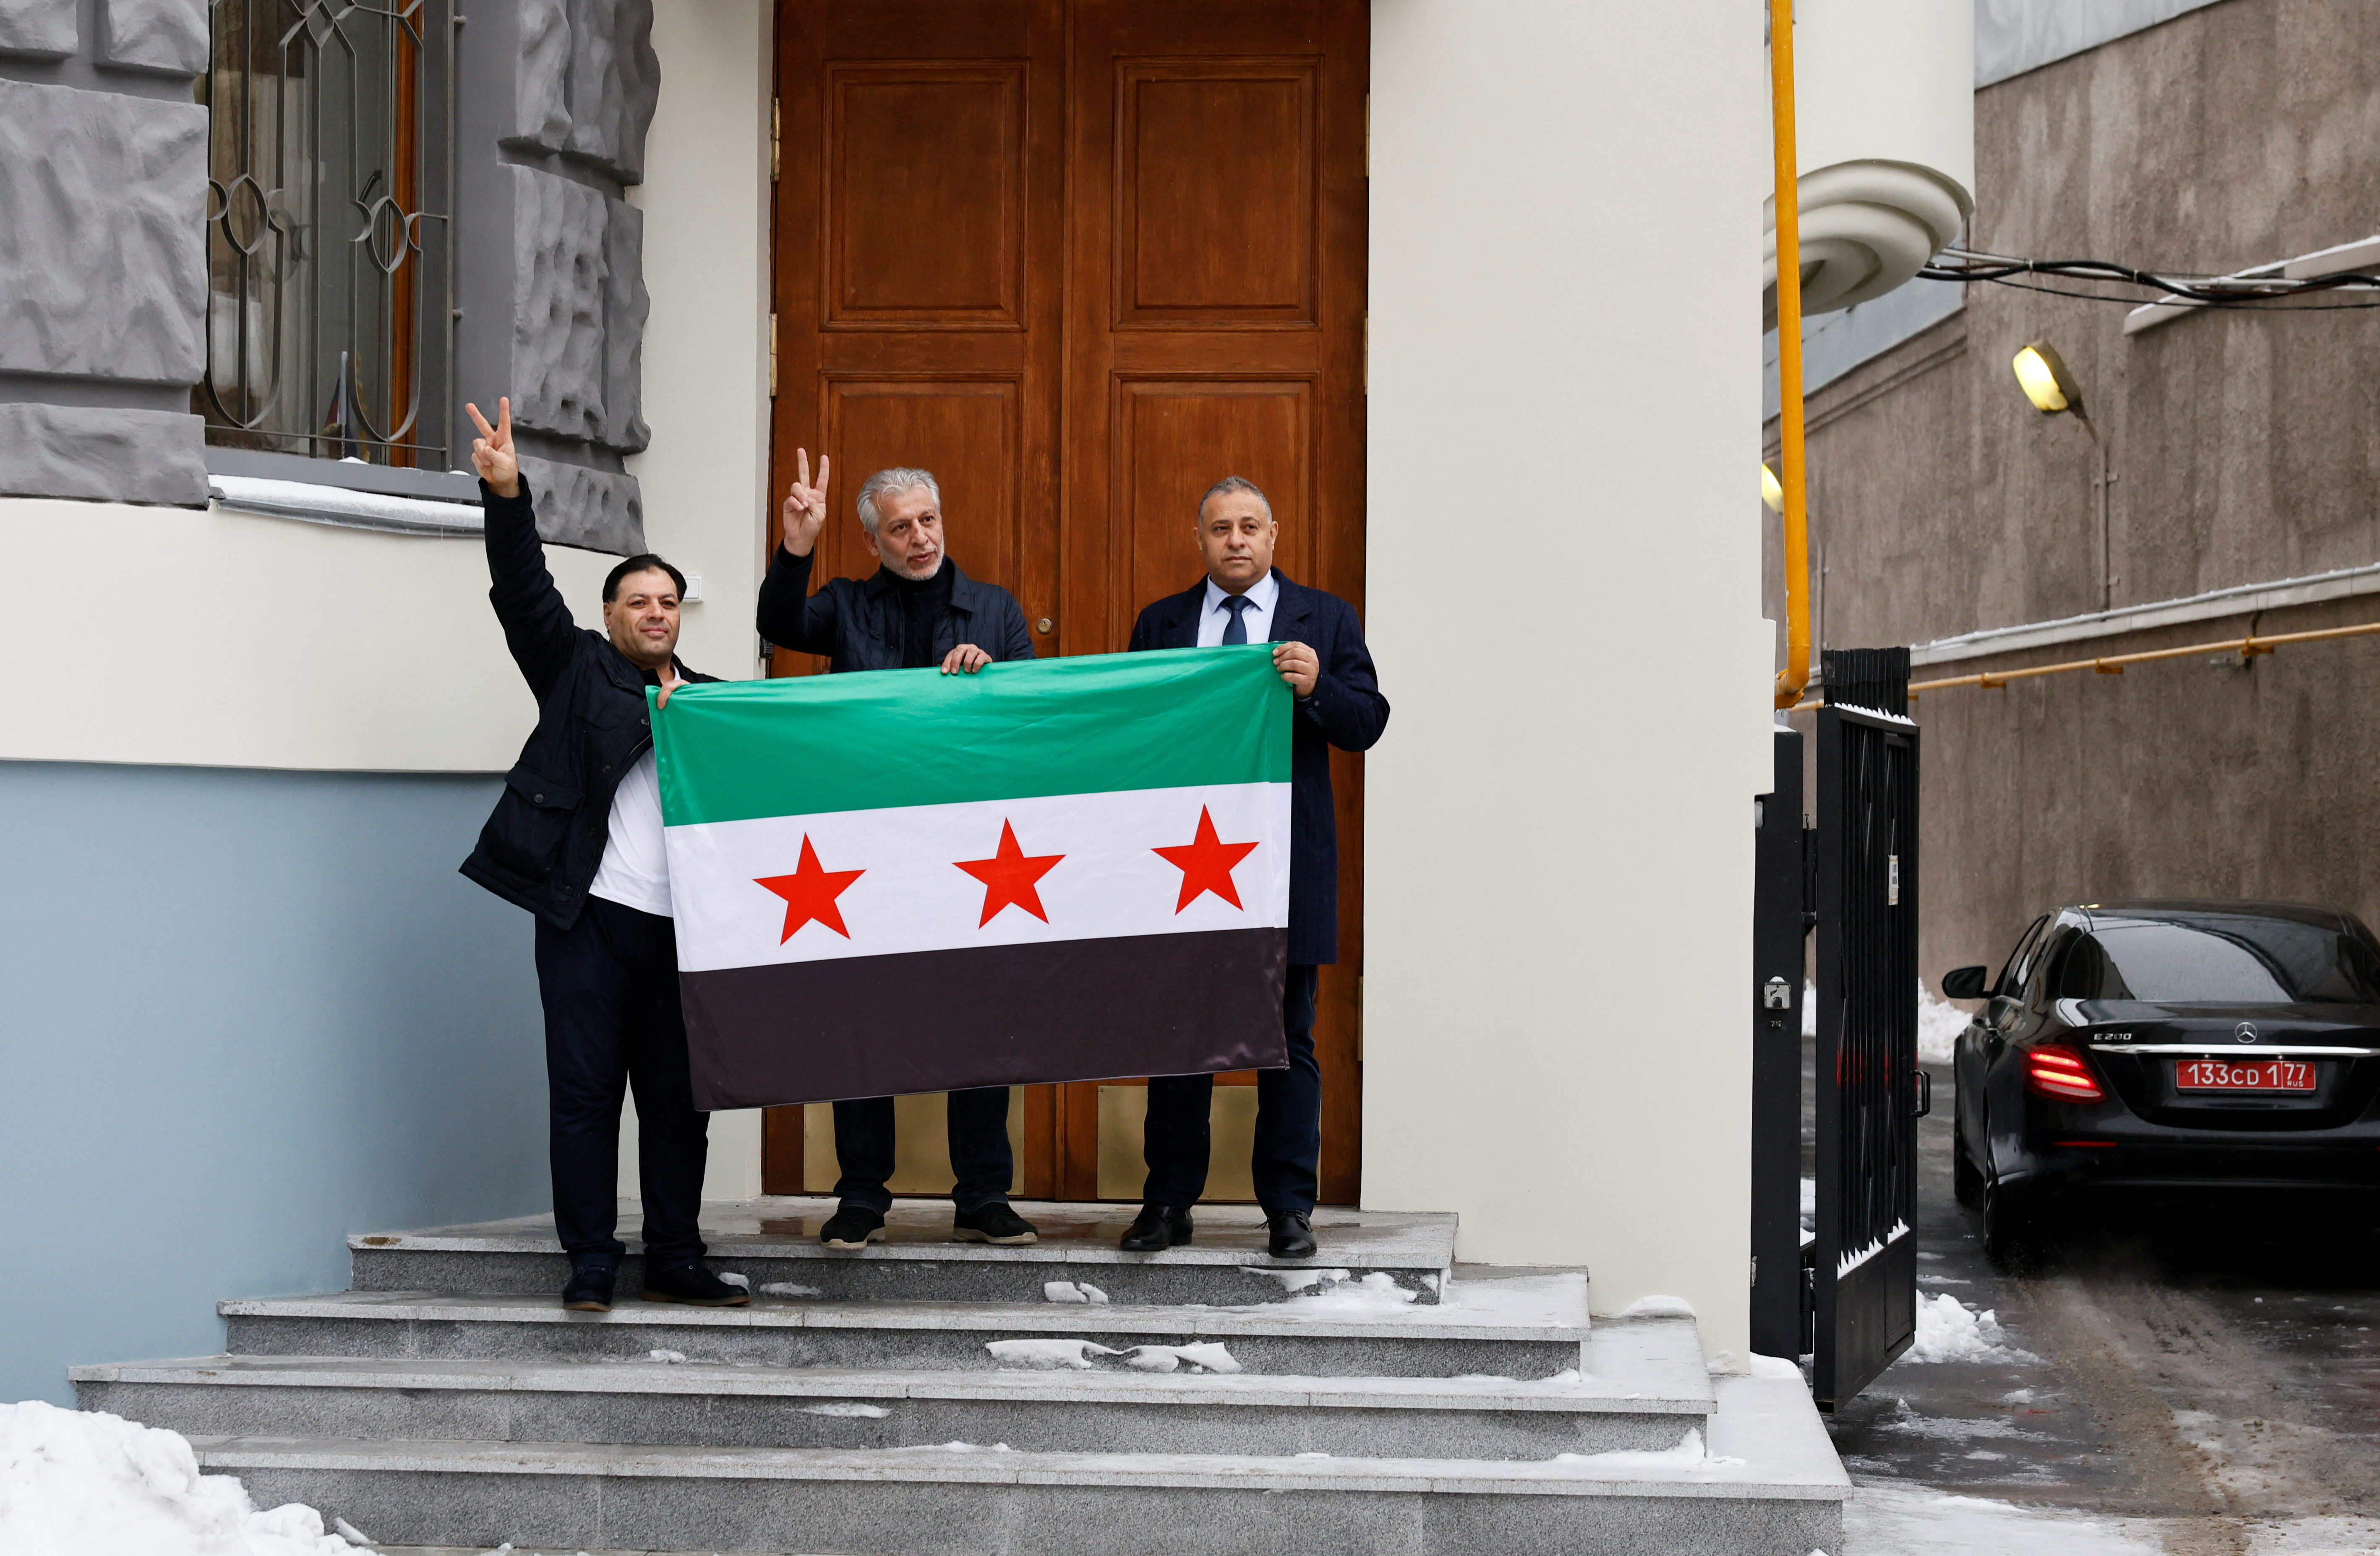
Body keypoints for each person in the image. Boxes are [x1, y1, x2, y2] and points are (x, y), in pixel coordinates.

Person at [456, 397, 747, 1314]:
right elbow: (523, 594)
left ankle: (675, 1255)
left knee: (676, 1105)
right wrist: (507, 497)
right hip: (588, 921)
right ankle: (590, 1257)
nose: (655, 613)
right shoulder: (577, 665)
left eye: (667, 601)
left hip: (683, 937)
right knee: (584, 1099)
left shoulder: (718, 705)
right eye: (638, 602)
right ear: (612, 614)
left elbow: (814, 750)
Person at [755, 451, 1041, 1251]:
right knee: (866, 1022)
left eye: (929, 520)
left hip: (973, 851)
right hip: (871, 848)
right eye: (900, 528)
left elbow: (1031, 723)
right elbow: (778, 623)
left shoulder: (994, 609)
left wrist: (996, 679)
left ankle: (984, 1194)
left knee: (979, 1024)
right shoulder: (844, 604)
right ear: (874, 543)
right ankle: (861, 1197)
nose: (920, 538)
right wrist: (797, 546)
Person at [1122, 476, 1389, 1259]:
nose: (1235, 540)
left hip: (1284, 862)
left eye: (1249, 527)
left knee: (1287, 1039)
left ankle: (1288, 1210)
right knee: (1180, 1039)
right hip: (1185, 863)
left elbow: (1367, 722)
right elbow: (1133, 731)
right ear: (1198, 540)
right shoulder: (1162, 624)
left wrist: (1318, 688)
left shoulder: (1325, 619)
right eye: (1219, 528)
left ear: (1274, 536)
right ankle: (1167, 1203)